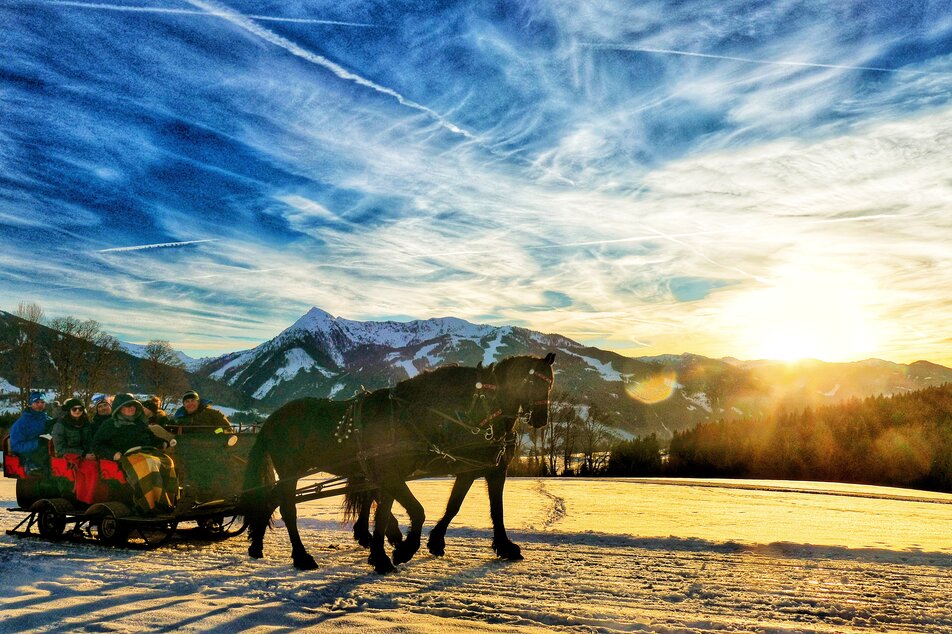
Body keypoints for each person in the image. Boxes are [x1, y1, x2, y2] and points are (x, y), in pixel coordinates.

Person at [91, 393, 165, 459]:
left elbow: (150, 437)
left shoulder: (139, 423)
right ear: (119, 408)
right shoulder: (110, 424)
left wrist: (161, 443)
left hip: (144, 456)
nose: (132, 408)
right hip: (123, 460)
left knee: (167, 462)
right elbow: (97, 445)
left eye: (134, 405)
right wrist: (113, 454)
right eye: (128, 405)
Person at [9, 392, 52, 472]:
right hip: (29, 456)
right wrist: (37, 443)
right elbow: (15, 446)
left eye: (42, 402)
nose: (40, 404)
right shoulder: (21, 423)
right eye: (37, 402)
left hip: (48, 454)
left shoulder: (48, 420)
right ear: (31, 404)